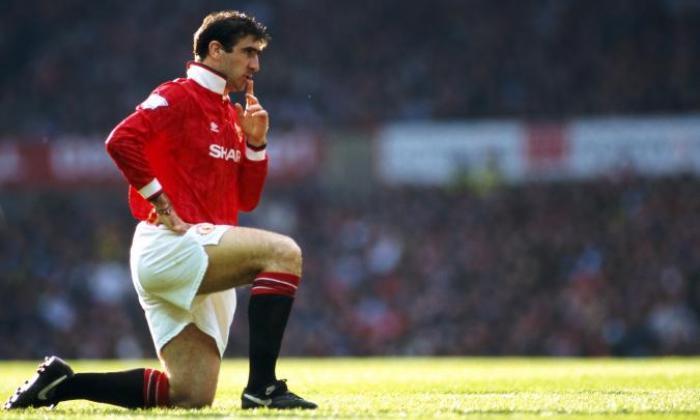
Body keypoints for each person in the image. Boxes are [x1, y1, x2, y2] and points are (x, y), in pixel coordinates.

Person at [5, 10, 316, 411]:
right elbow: (120, 141)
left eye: (258, 54)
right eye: (248, 52)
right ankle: (264, 387)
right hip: (170, 245)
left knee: (190, 395)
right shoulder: (179, 95)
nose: (256, 64)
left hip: (203, 252)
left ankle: (60, 385)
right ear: (215, 50)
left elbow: (246, 200)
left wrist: (256, 145)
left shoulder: (229, 113)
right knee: (284, 253)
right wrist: (160, 201)